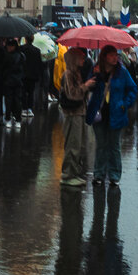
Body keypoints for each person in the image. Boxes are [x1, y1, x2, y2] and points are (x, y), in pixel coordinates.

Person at [86, 45, 137, 185]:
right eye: (112, 55)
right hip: (98, 113)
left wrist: (124, 104)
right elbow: (87, 86)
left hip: (116, 113)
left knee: (114, 146)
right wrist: (95, 75)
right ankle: (99, 174)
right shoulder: (96, 69)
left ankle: (114, 175)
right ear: (104, 57)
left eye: (116, 55)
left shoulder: (122, 72)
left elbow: (132, 89)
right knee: (101, 144)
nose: (116, 58)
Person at [59, 47, 94, 187]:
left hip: (80, 113)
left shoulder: (77, 73)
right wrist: (85, 86)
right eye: (80, 57)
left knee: (79, 145)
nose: (83, 60)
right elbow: (72, 94)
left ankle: (74, 172)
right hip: (72, 114)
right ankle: (68, 175)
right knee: (73, 145)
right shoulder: (68, 74)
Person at [1, 38, 25, 128]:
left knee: (9, 101)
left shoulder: (6, 56)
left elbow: (3, 69)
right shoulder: (21, 56)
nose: (8, 47)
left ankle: (8, 119)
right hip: (18, 81)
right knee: (17, 100)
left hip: (8, 81)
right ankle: (18, 119)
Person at [20, 35, 43, 117]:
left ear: (25, 39)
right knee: (31, 93)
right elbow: (39, 64)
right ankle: (29, 108)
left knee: (23, 92)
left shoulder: (21, 49)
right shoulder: (37, 50)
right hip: (33, 75)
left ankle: (24, 108)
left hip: (23, 74)